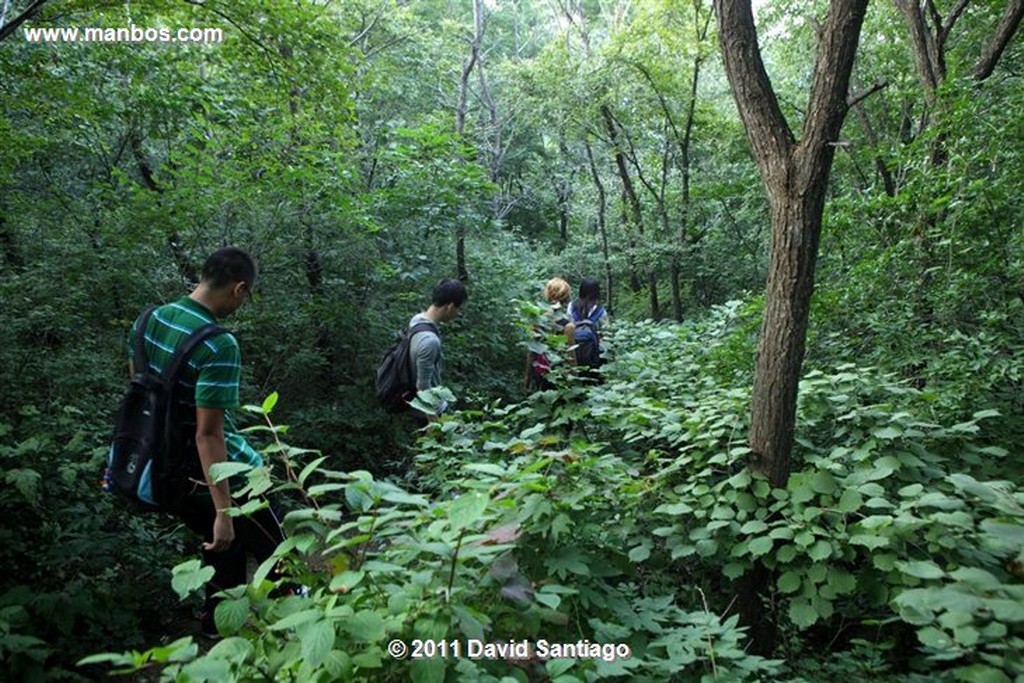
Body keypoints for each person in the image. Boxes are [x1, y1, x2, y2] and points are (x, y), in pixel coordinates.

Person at [125, 246, 286, 639]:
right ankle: (292, 626)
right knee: (279, 551)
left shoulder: (147, 321)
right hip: (224, 472)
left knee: (219, 547)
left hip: (169, 467)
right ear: (239, 288)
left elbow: (141, 393)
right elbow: (209, 433)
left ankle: (215, 628)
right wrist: (225, 510)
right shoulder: (217, 343)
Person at [408, 278, 468, 422]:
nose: (458, 313)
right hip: (427, 412)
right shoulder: (430, 341)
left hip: (416, 404)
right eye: (458, 308)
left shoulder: (417, 320)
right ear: (450, 306)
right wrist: (433, 423)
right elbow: (423, 387)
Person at [524, 277, 576, 391]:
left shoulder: (537, 321)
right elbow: (571, 358)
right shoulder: (569, 326)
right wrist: (574, 380)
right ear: (566, 298)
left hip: (540, 372)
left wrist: (527, 377)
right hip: (561, 375)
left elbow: (531, 352)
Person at [568, 277, 609, 372]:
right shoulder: (601, 312)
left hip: (574, 352)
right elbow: (606, 335)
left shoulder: (571, 307)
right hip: (594, 356)